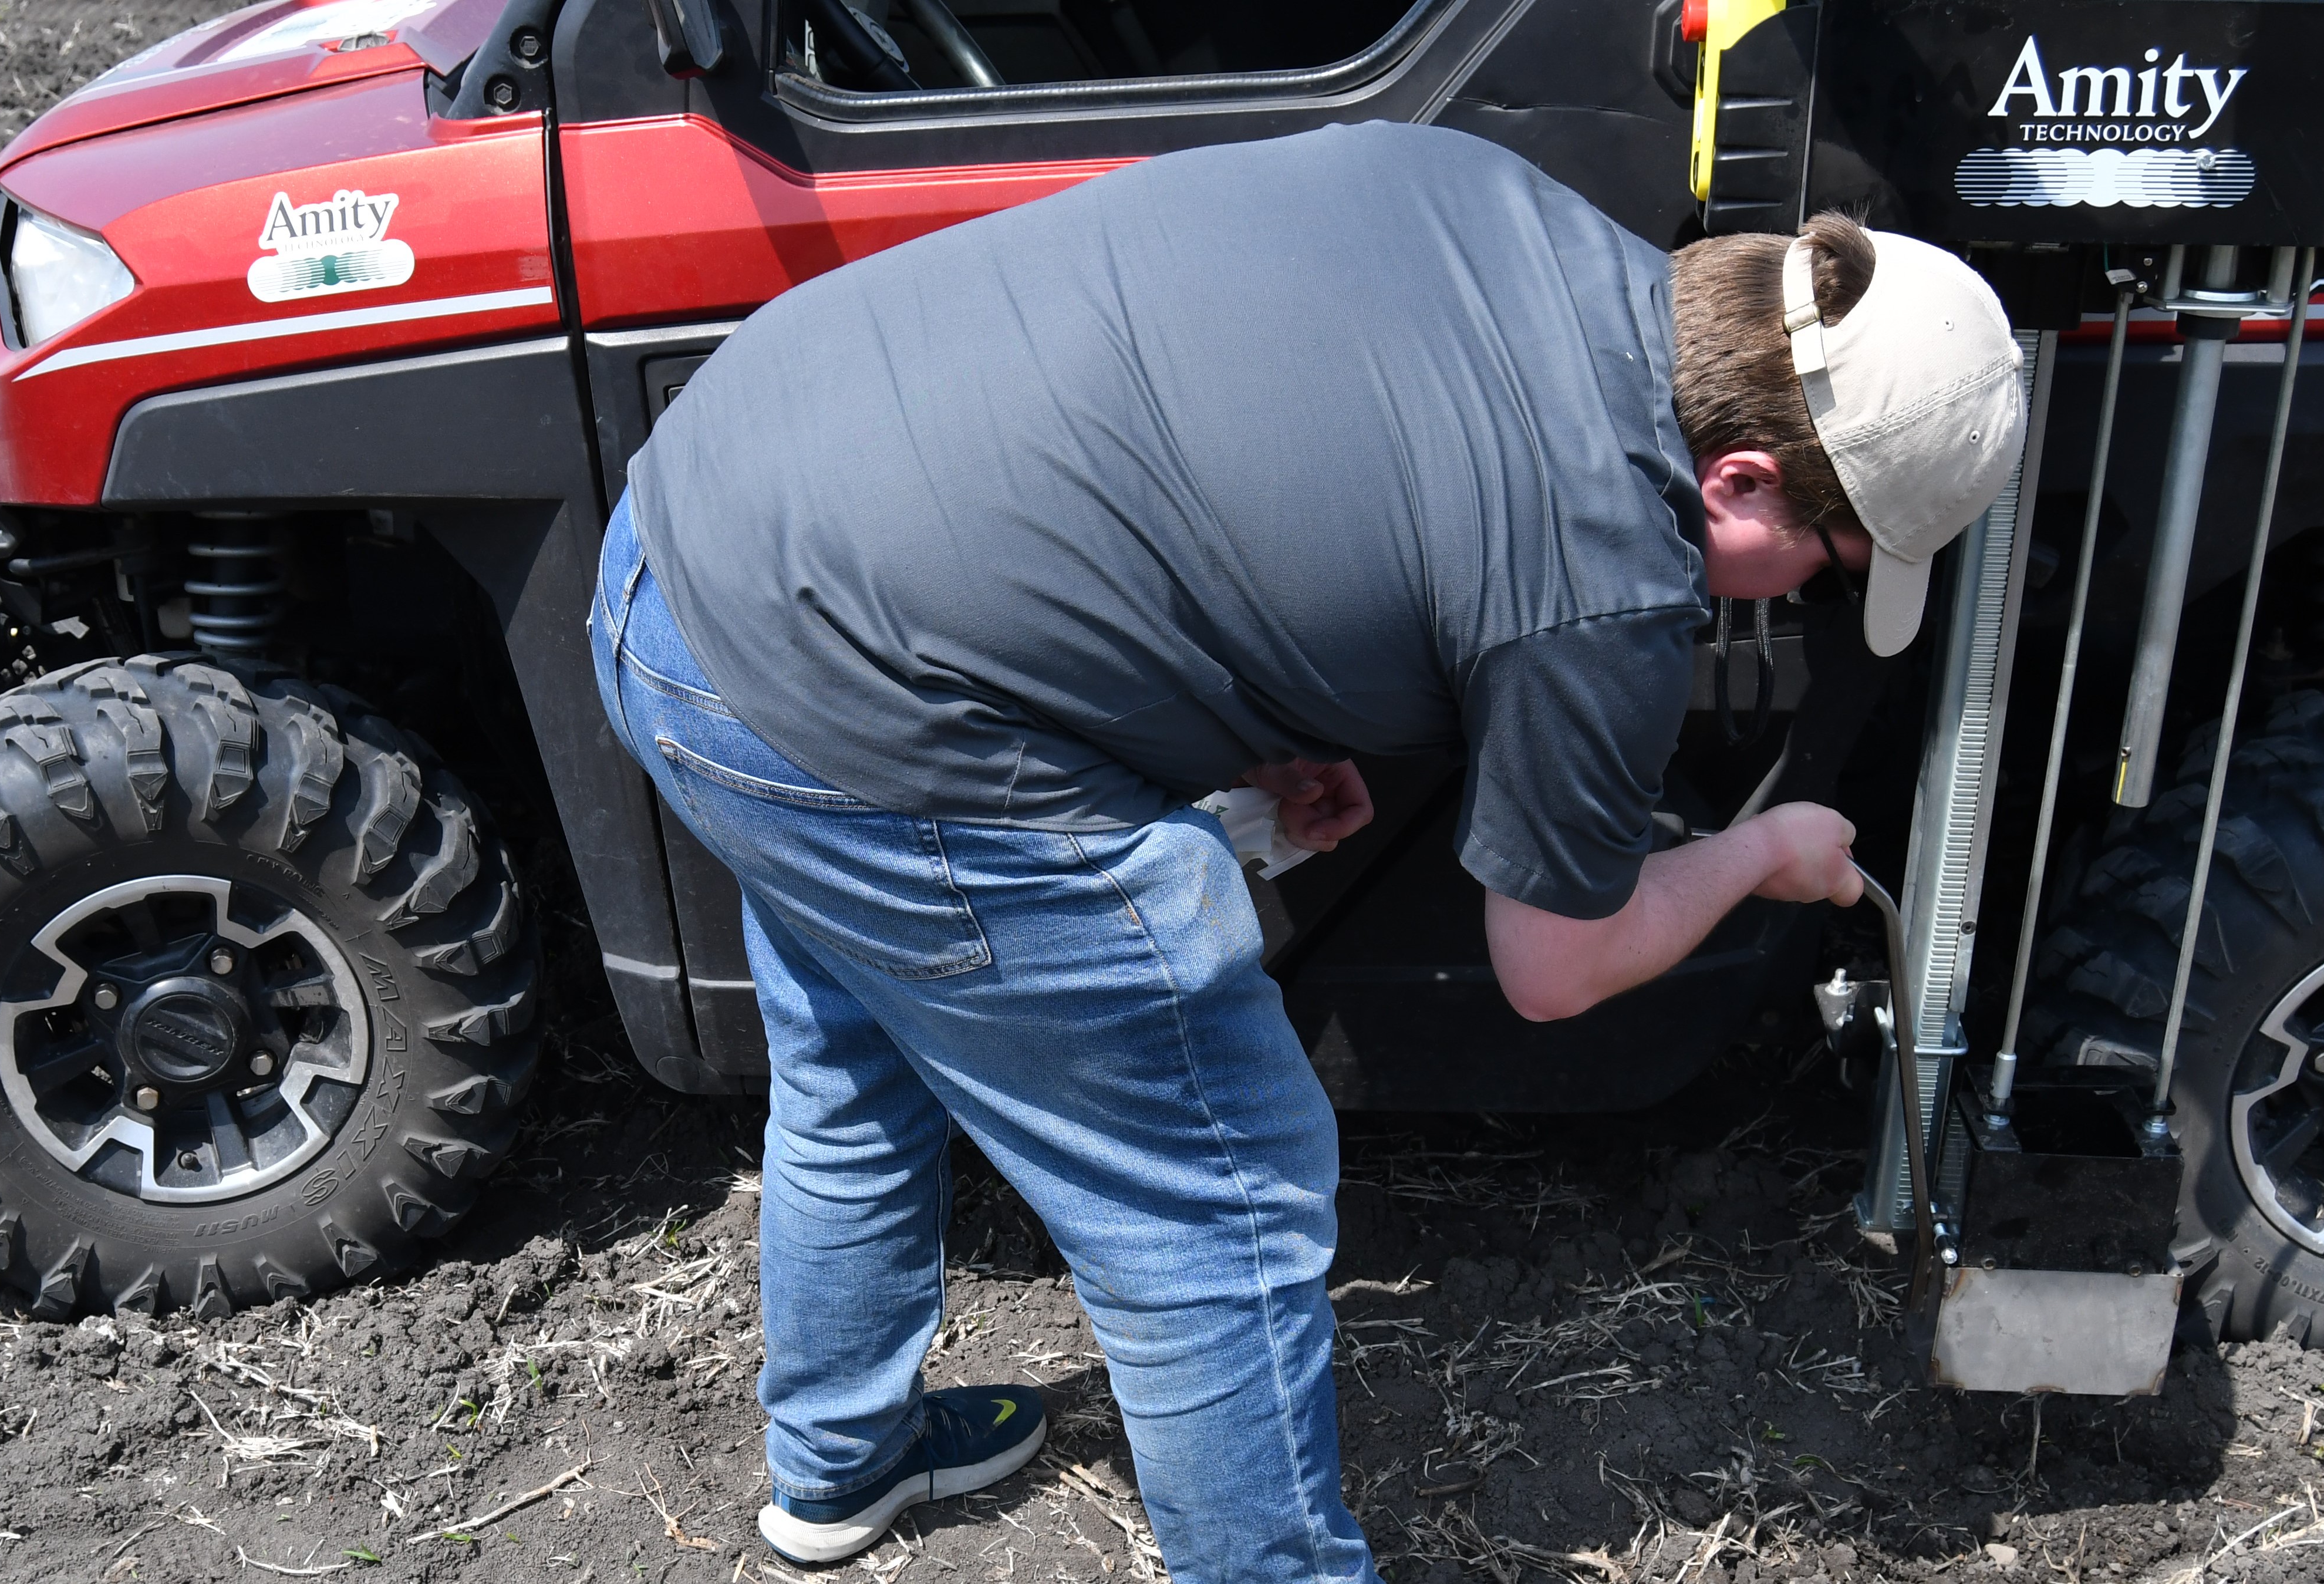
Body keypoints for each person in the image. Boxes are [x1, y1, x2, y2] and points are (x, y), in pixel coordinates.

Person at [587, 121, 2024, 1580]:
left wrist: (1263, 703)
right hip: (854, 698)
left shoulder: (1493, 198)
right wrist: (1758, 848)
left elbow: (1232, 449)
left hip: (699, 544)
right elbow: (1554, 960)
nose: (1805, 604)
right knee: (1220, 1199)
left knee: (857, 1052)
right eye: (1830, 568)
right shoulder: (1606, 578)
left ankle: (840, 1469)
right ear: (1741, 484)